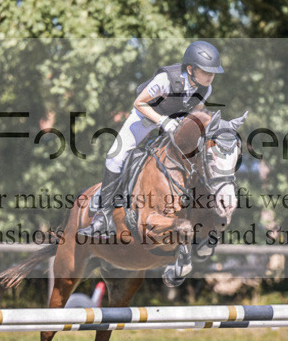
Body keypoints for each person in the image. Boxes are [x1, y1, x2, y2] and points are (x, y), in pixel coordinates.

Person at [78, 40, 224, 239]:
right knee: (115, 156)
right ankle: (103, 216)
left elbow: (194, 112)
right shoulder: (166, 79)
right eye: (206, 71)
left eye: (213, 72)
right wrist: (162, 121)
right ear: (190, 69)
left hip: (173, 123)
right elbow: (139, 103)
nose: (211, 76)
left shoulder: (206, 89)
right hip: (146, 117)